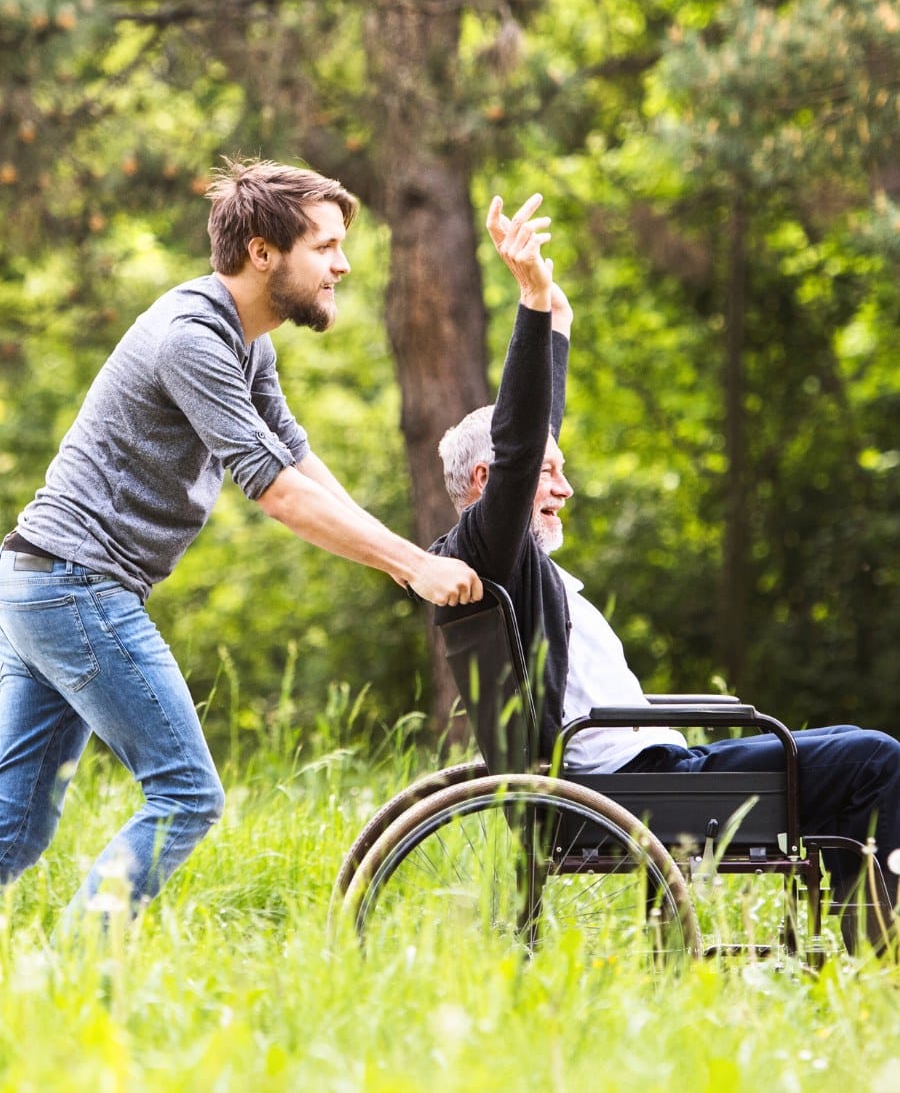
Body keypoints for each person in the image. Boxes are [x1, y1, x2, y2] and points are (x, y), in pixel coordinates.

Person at [0, 156, 482, 930]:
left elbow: (296, 456)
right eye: (324, 247)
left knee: (12, 831)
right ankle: (76, 975)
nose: (342, 264)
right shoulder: (192, 338)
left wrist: (400, 555)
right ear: (263, 252)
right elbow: (278, 493)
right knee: (187, 793)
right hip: (74, 584)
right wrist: (412, 563)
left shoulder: (246, 342)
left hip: (38, 580)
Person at [432, 192, 899, 956]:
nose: (563, 486)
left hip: (648, 773)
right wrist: (528, 306)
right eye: (547, 474)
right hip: (636, 789)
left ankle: (865, 939)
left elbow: (529, 431)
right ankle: (880, 947)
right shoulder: (491, 549)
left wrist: (553, 313)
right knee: (872, 760)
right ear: (489, 481)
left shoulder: (507, 559)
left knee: (853, 749)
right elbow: (522, 441)